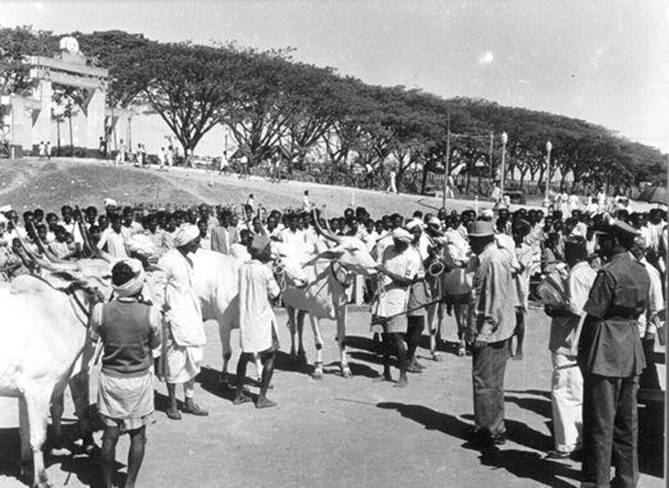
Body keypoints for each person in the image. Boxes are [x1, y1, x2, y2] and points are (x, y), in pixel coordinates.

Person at [577, 219, 649, 488]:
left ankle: (597, 481)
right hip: (630, 349)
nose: (600, 244)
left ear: (615, 242)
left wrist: (582, 352)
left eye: (604, 239)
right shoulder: (641, 271)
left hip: (605, 350)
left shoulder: (608, 273)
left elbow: (594, 314)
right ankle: (628, 479)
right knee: (628, 422)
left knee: (600, 422)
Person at [90, 259, 161, 488]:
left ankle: (109, 484)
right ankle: (129, 484)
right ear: (138, 286)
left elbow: (94, 338)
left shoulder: (101, 310)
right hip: (138, 380)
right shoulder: (150, 313)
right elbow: (155, 344)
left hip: (111, 379)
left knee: (109, 435)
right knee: (138, 435)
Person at [544, 236, 596, 459]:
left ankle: (566, 444)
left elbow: (574, 309)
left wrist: (552, 309)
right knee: (577, 390)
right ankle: (578, 438)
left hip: (568, 341)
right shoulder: (591, 272)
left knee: (563, 391)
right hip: (582, 341)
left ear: (571, 252)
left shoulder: (575, 274)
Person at [466, 220, 516, 447]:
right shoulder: (488, 258)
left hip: (492, 331)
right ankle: (492, 426)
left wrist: (484, 332)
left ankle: (489, 431)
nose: (469, 242)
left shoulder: (494, 260)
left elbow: (494, 299)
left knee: (485, 382)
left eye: (472, 239)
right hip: (496, 329)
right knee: (491, 382)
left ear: (482, 240)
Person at [157, 225, 209, 420]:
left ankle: (189, 400)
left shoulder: (187, 261)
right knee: (174, 362)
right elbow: (157, 289)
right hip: (175, 319)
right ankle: (171, 403)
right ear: (187, 242)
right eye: (196, 241)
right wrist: (165, 314)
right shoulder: (167, 260)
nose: (199, 244)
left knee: (193, 359)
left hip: (191, 318)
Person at [233, 235, 281, 408]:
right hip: (262, 318)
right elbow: (275, 293)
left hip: (246, 318)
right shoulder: (264, 270)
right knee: (270, 355)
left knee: (245, 355)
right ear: (261, 252)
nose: (269, 252)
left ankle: (238, 395)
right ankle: (261, 397)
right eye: (267, 249)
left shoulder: (242, 267)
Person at [372, 227, 420, 387]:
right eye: (394, 240)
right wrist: (379, 274)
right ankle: (385, 372)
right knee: (384, 337)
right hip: (382, 298)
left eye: (397, 242)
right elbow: (380, 265)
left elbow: (407, 281)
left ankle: (403, 375)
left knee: (397, 338)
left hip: (398, 301)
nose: (394, 243)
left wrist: (386, 272)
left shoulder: (412, 257)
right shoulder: (388, 249)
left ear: (404, 242)